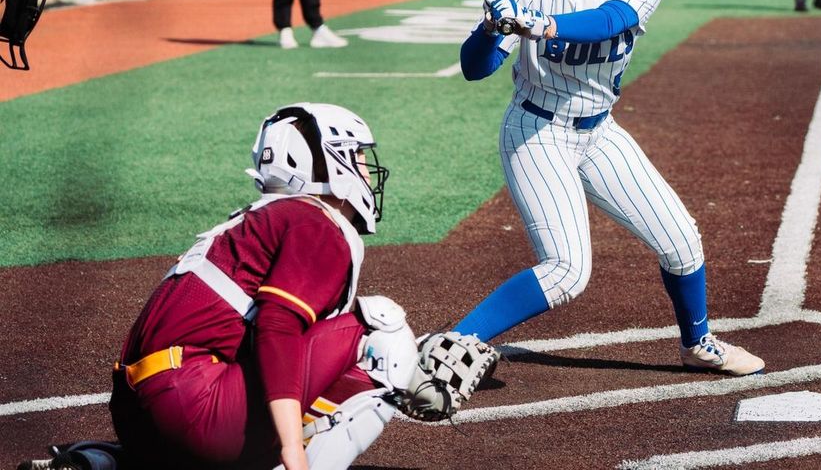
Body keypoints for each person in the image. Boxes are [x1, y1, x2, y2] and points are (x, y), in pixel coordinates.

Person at [20, 102, 496, 470]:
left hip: (138, 413)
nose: (367, 170)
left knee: (300, 362)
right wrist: (292, 446)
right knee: (382, 331)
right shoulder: (315, 222)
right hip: (193, 407)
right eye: (356, 156)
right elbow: (276, 328)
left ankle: (104, 461)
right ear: (326, 163)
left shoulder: (259, 220)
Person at [453, 0, 764, 377]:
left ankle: (697, 342)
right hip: (538, 133)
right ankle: (450, 344)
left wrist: (538, 24)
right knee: (567, 272)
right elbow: (475, 67)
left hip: (599, 131)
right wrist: (493, 26)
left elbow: (609, 21)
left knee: (681, 241)